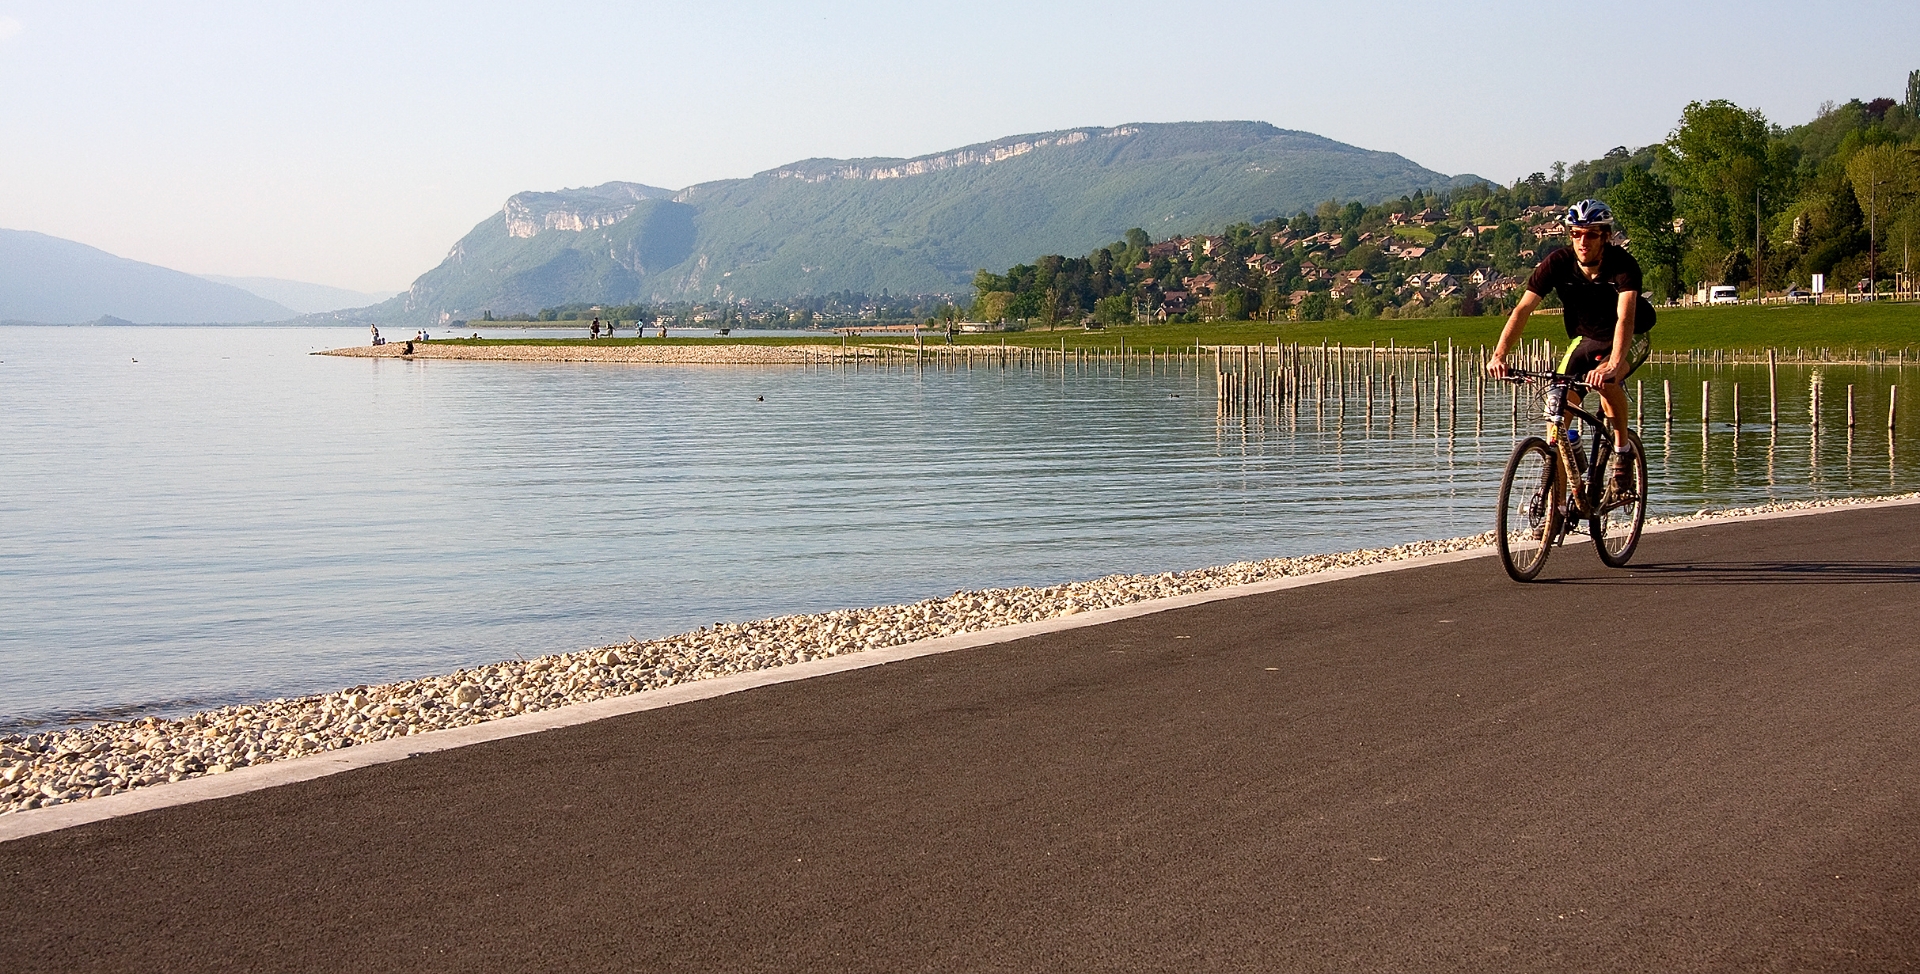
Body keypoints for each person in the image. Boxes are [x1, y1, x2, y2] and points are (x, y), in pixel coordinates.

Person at [1487, 198, 1654, 496]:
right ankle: (1557, 507)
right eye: (1576, 234)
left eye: (1590, 234)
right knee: (1557, 417)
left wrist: (1613, 364)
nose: (1582, 241)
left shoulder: (1623, 265)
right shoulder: (1558, 263)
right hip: (1586, 339)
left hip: (1630, 335)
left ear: (1605, 235)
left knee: (1607, 381)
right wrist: (1500, 354)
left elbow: (1625, 317)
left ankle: (1622, 449)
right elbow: (1522, 310)